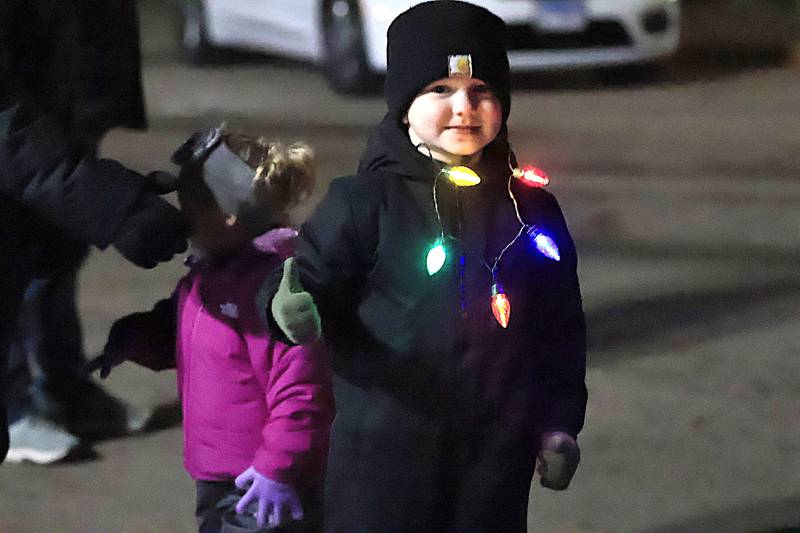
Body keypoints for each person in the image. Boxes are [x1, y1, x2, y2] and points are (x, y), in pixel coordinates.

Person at [257, 2, 588, 531]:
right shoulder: (365, 202)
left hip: (494, 457)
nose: (463, 108)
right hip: (383, 455)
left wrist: (558, 422)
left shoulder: (530, 211)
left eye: (481, 91)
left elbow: (559, 329)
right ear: (404, 105)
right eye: (440, 89)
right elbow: (304, 282)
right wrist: (286, 306)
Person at [88, 126, 334, 533]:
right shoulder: (207, 278)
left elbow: (302, 390)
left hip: (262, 480)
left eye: (189, 207)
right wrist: (137, 337)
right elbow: (190, 336)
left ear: (227, 212)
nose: (181, 220)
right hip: (217, 473)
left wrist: (278, 467)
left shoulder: (277, 294)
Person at [0, 0, 188, 464]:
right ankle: (12, 406)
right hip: (22, 124)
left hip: (58, 99)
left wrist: (98, 101)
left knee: (54, 249)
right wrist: (114, 205)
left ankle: (63, 388)